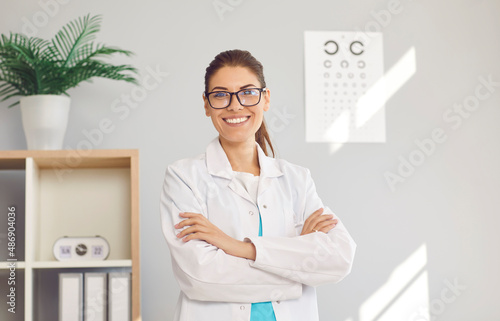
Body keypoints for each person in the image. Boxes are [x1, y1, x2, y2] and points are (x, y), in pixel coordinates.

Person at [160, 49, 356, 321]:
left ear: (266, 98)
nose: (235, 105)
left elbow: (338, 259)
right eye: (220, 95)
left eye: (248, 92)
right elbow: (201, 277)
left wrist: (236, 247)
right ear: (206, 105)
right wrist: (297, 270)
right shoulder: (184, 177)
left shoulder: (296, 179)